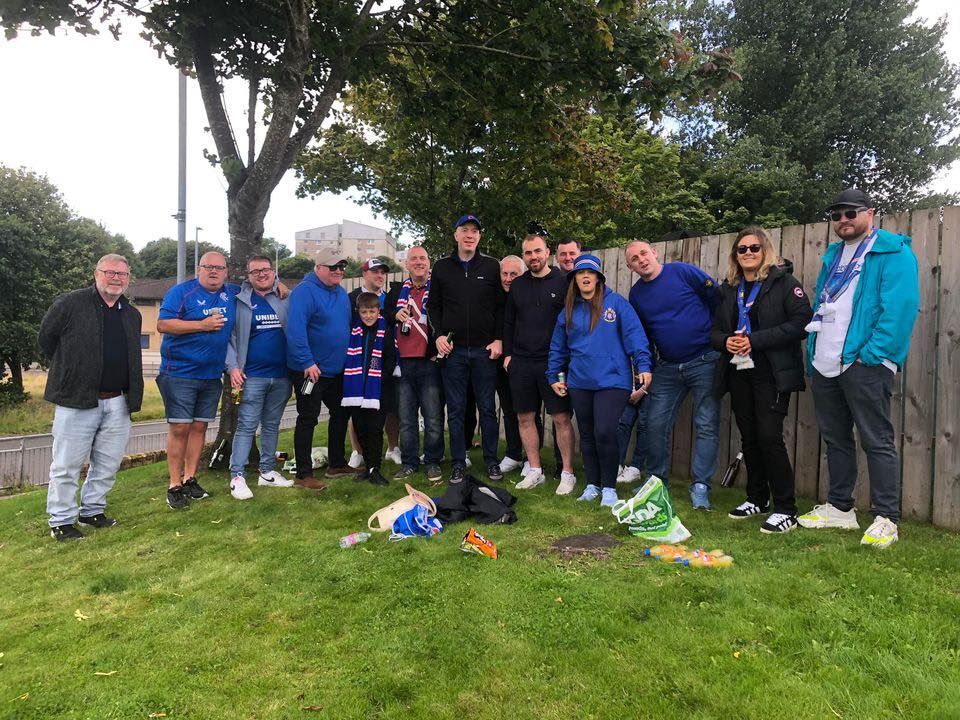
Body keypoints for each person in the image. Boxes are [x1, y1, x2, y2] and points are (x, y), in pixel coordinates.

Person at [798, 188, 920, 548]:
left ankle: (887, 518)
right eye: (836, 215)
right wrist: (814, 355)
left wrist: (872, 353)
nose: (843, 220)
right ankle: (840, 508)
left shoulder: (893, 251)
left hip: (863, 361)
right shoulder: (833, 256)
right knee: (835, 438)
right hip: (826, 362)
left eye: (850, 213)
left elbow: (900, 308)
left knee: (876, 439)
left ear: (870, 213)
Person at [711, 227, 813, 533]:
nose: (748, 253)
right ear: (735, 256)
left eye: (754, 248)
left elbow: (802, 323)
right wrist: (727, 341)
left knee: (770, 437)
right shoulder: (730, 288)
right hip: (739, 371)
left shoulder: (784, 284)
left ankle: (786, 508)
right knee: (750, 437)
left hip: (773, 373)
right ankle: (757, 498)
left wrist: (755, 340)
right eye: (741, 249)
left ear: (765, 250)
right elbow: (714, 332)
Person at [39, 254, 143, 540]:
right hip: (77, 400)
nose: (116, 278)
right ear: (96, 274)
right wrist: (71, 372)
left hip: (118, 402)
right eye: (109, 272)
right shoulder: (70, 304)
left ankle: (92, 510)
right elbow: (46, 340)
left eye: (122, 274)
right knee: (67, 464)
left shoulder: (131, 314)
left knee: (108, 463)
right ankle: (61, 521)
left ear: (128, 278)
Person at [548, 254, 652, 507]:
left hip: (613, 380)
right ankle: (593, 484)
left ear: (598, 278)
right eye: (579, 273)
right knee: (587, 434)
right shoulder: (568, 311)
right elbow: (558, 348)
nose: (585, 277)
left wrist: (643, 365)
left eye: (590, 273)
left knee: (604, 431)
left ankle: (609, 488)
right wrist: (554, 376)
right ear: (574, 279)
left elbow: (635, 336)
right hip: (580, 380)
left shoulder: (616, 304)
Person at [626, 240, 722, 510]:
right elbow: (643, 335)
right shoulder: (637, 295)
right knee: (655, 424)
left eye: (644, 253)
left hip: (705, 359)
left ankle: (701, 485)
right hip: (667, 366)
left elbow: (717, 299)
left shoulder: (682, 272)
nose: (641, 260)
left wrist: (717, 339)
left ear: (654, 253)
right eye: (634, 258)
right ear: (630, 266)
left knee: (706, 423)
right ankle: (657, 481)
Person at [156, 251, 238, 509]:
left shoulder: (232, 293)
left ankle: (190, 478)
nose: (213, 272)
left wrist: (279, 285)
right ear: (198, 269)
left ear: (226, 271)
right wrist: (201, 325)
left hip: (211, 375)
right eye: (208, 267)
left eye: (219, 268)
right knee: (180, 428)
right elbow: (163, 325)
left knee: (200, 427)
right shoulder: (181, 292)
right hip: (180, 372)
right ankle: (174, 484)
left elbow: (259, 285)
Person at [428, 214, 506, 484]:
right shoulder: (441, 268)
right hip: (455, 352)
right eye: (465, 230)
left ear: (479, 237)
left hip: (485, 352)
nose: (470, 235)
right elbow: (433, 307)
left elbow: (500, 307)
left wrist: (498, 339)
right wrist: (438, 335)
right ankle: (459, 463)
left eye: (475, 231)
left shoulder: (492, 266)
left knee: (487, 409)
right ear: (456, 235)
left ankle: (492, 462)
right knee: (457, 410)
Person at [503, 233, 577, 494]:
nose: (533, 257)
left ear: (547, 253)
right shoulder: (518, 285)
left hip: (553, 362)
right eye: (528, 253)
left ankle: (568, 472)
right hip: (522, 362)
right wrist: (508, 355)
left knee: (561, 417)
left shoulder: (565, 281)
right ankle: (535, 469)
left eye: (537, 251)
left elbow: (572, 322)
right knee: (525, 417)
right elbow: (509, 321)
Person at [224, 255, 294, 500]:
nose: (261, 275)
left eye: (266, 270)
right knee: (246, 426)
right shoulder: (240, 300)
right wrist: (232, 367)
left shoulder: (285, 297)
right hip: (251, 376)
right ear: (248, 276)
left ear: (274, 272)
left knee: (272, 425)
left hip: (282, 376)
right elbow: (228, 339)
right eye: (255, 272)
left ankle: (267, 472)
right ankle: (237, 476)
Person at [286, 248, 353, 488]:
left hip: (335, 370)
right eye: (333, 267)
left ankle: (336, 463)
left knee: (341, 413)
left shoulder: (341, 293)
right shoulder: (304, 292)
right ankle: (303, 475)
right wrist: (307, 362)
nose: (338, 271)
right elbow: (295, 330)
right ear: (319, 268)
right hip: (310, 371)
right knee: (308, 417)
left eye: (341, 267)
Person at [385, 246, 444, 484]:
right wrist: (394, 315)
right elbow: (384, 315)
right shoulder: (397, 292)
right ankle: (409, 462)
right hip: (404, 364)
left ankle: (432, 461)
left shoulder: (438, 290)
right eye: (413, 259)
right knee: (407, 418)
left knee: (432, 417)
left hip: (428, 361)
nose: (418, 262)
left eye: (423, 258)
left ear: (429, 263)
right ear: (406, 264)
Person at [346, 258, 401, 468]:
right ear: (364, 274)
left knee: (389, 408)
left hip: (383, 363)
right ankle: (357, 451)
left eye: (382, 273)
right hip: (358, 363)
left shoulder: (389, 299)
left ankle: (392, 448)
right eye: (375, 272)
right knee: (356, 408)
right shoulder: (351, 298)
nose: (379, 276)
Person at [341, 292, 390, 486]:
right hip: (356, 390)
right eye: (364, 312)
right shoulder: (354, 332)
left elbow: (390, 359)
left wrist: (378, 378)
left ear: (379, 311)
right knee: (360, 428)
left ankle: (375, 468)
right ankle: (368, 466)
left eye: (372, 311)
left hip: (378, 389)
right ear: (358, 312)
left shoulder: (385, 331)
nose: (368, 315)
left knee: (375, 429)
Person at [496, 255, 526, 474]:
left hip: (526, 360)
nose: (508, 279)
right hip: (500, 361)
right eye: (504, 274)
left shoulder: (529, 295)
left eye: (513, 274)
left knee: (528, 410)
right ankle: (514, 454)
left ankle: (529, 459)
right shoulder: (494, 297)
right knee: (508, 408)